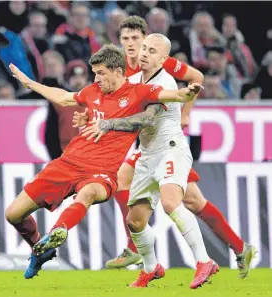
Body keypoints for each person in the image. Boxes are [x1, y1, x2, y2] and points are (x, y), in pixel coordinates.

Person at [74, 16, 255, 280]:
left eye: (137, 39)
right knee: (126, 182)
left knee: (190, 202)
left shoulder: (162, 64)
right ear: (120, 41)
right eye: (126, 39)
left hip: (166, 141)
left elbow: (196, 77)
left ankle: (230, 249)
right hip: (148, 144)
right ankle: (236, 248)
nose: (132, 45)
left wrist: (185, 113)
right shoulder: (122, 68)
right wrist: (92, 117)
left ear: (146, 39)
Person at [8, 44, 200, 280]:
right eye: (95, 73)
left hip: (102, 173)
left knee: (87, 193)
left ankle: (59, 230)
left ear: (118, 72)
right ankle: (40, 250)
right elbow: (64, 97)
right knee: (13, 214)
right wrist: (31, 84)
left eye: (101, 73)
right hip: (66, 164)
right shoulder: (91, 92)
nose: (96, 78)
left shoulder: (139, 93)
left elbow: (174, 95)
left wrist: (187, 93)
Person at [79, 34, 217, 289]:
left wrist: (108, 124)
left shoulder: (164, 82)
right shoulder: (132, 80)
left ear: (163, 59)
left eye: (152, 51)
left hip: (170, 150)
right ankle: (151, 269)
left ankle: (204, 261)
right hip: (146, 154)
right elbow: (111, 102)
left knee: (170, 202)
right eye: (144, 48)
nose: (143, 53)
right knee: (136, 220)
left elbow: (147, 119)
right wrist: (88, 115)